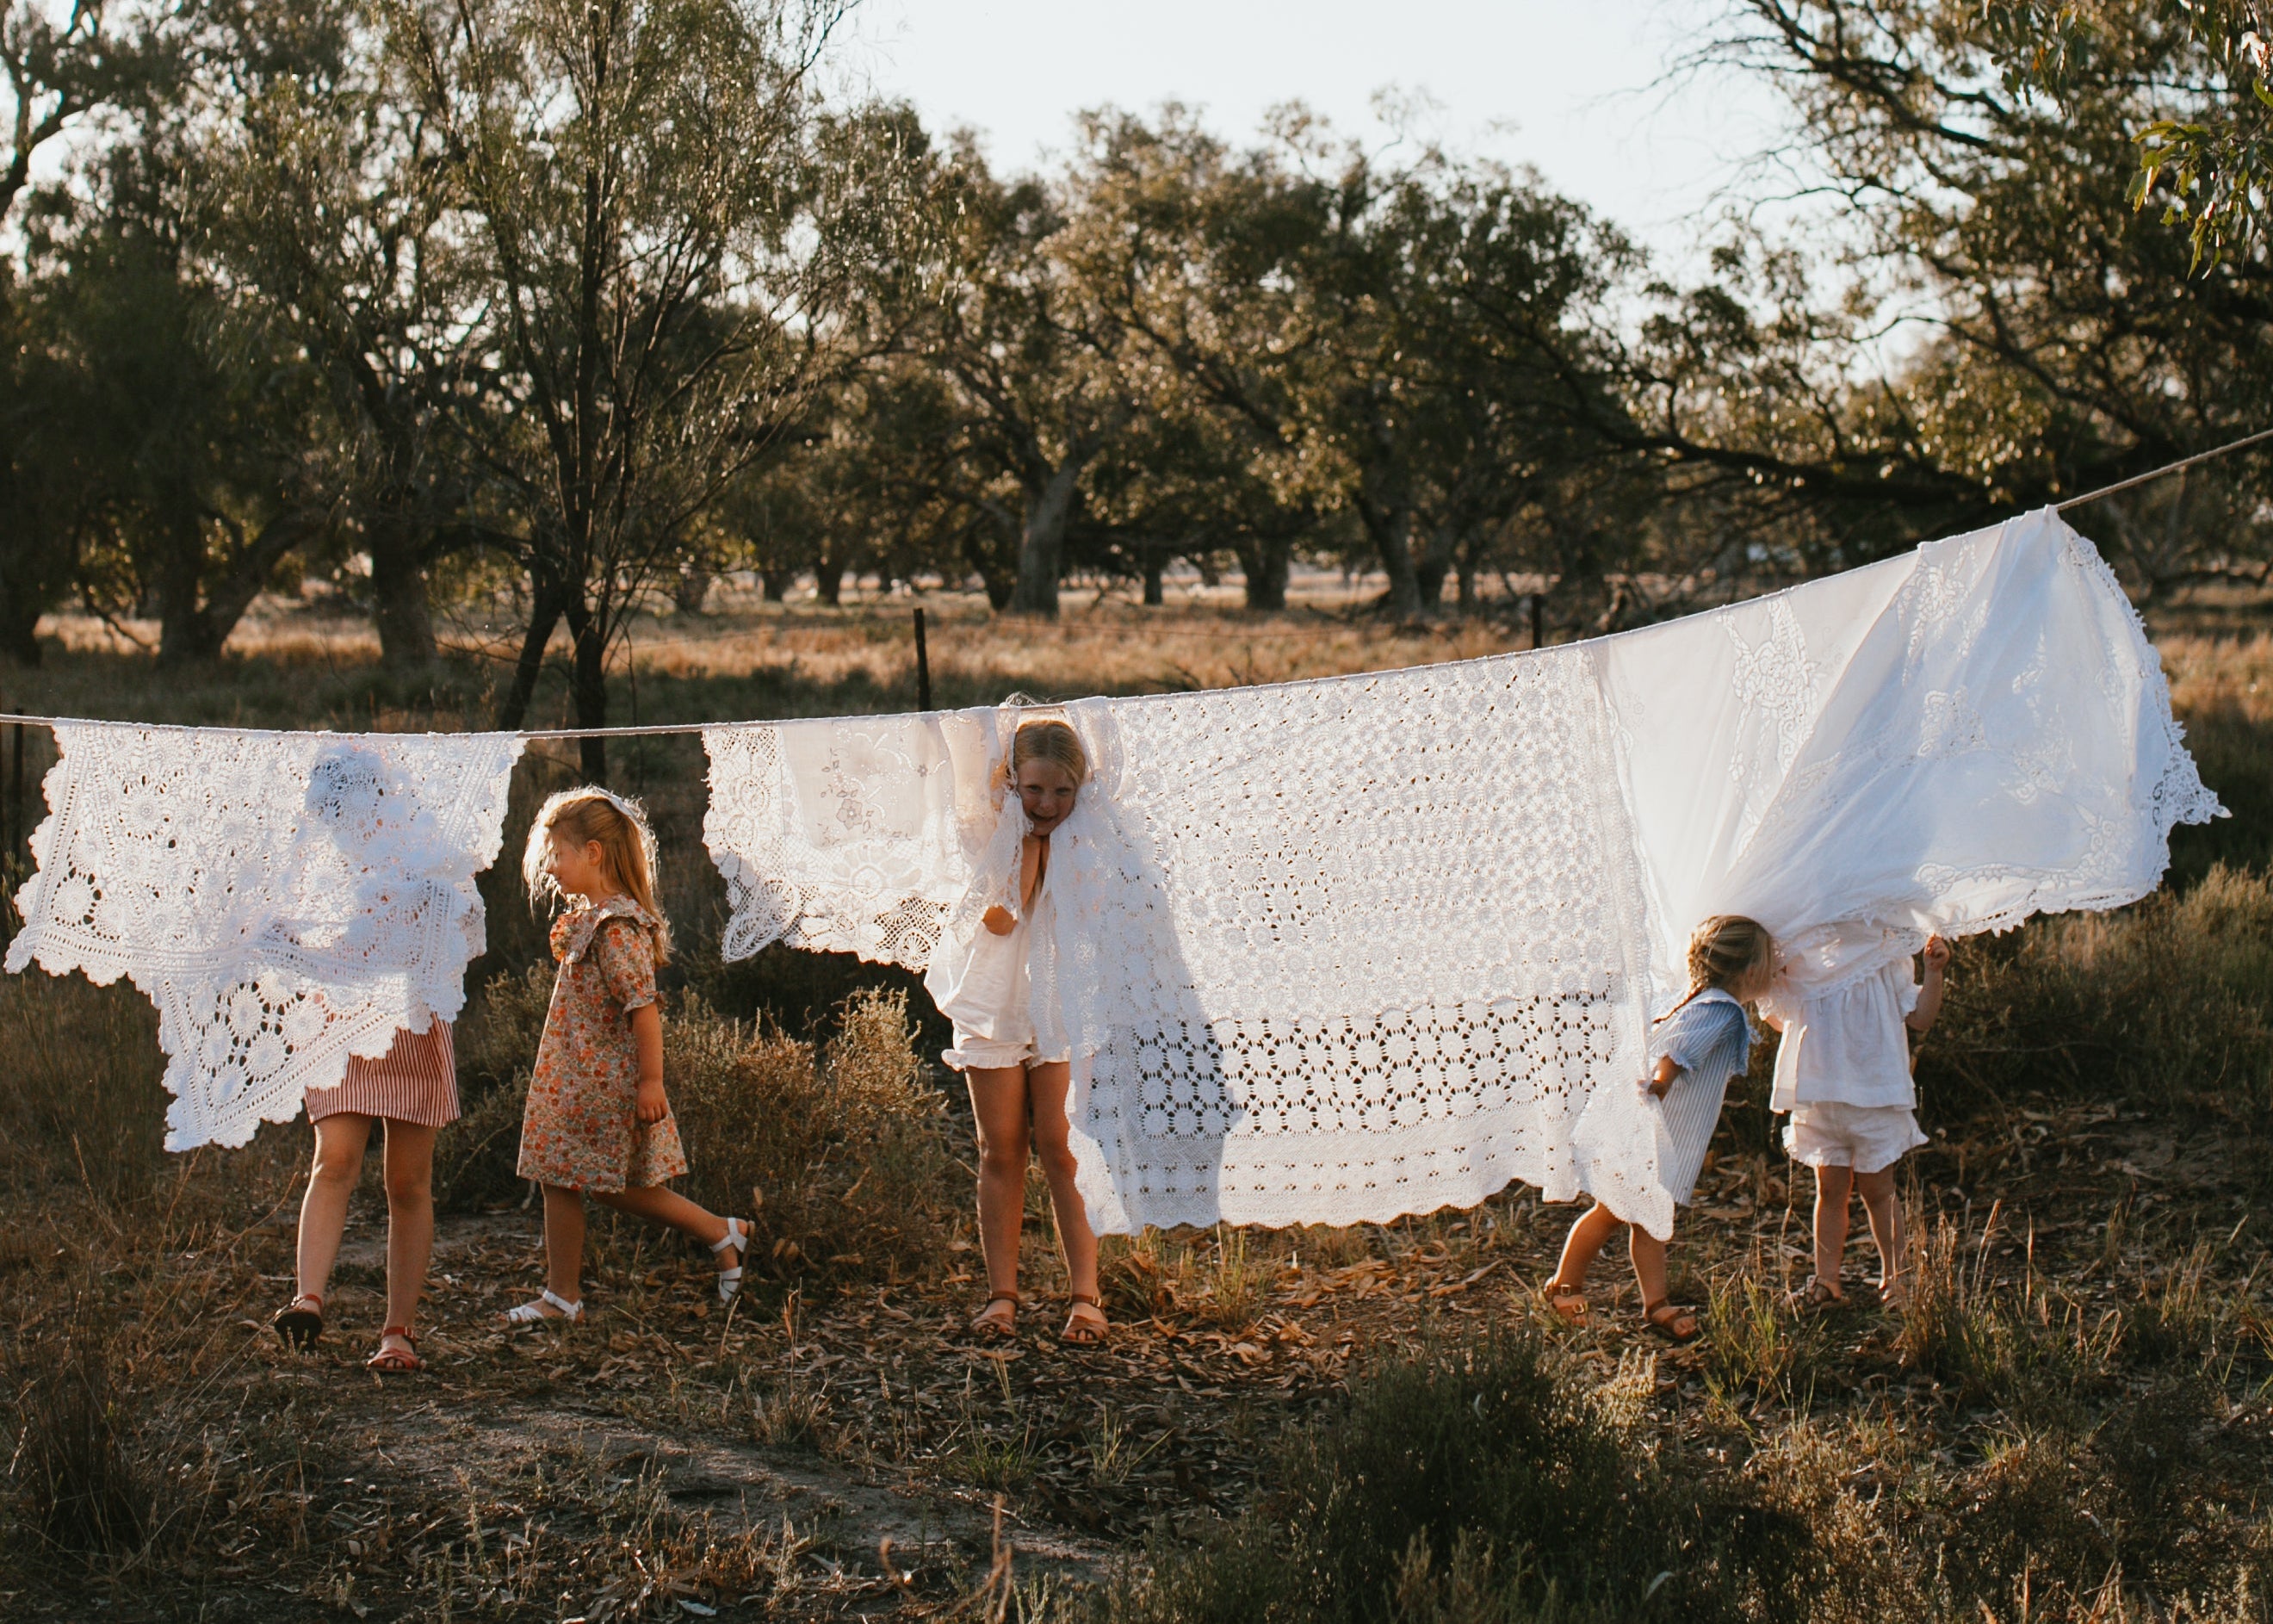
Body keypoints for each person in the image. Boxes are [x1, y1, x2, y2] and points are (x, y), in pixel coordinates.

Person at [503, 787, 748, 1325]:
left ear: (594, 853)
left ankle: (715, 1231)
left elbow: (643, 1010)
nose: (551, 868)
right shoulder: (594, 919)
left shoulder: (616, 928)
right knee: (564, 1176)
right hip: (575, 1079)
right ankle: (563, 1296)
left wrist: (651, 1082)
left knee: (612, 1184)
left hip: (603, 1083)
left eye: (558, 855)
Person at [924, 711, 1107, 1345]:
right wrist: (1026, 849)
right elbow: (1001, 922)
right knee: (1000, 1149)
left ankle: (1086, 1296)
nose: (1048, 803)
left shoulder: (1093, 843)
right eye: (1034, 790)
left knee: (1062, 1147)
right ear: (1012, 784)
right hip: (996, 1003)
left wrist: (1059, 848)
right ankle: (1002, 1295)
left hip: (1058, 1008)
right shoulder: (992, 836)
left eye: (1061, 791)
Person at [1543, 914, 1774, 1343]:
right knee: (1612, 1213)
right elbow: (1678, 1047)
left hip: (1654, 1131)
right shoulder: (1720, 1009)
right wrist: (1661, 1085)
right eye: (1770, 957)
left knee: (1646, 1220)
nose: (1777, 963)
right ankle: (1565, 1286)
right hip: (1652, 1134)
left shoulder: (1700, 999)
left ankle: (1654, 1302)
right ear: (1750, 970)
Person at [1762, 934, 1951, 1307]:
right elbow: (1779, 1019)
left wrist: (1934, 972)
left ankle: (1895, 1280)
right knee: (1830, 1190)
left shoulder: (1885, 952)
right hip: (1822, 1097)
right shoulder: (1806, 954)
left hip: (1874, 1097)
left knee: (1879, 1192)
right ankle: (1826, 1280)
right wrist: (1773, 975)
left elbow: (1922, 1018)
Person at [271, 1021, 459, 1373]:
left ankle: (398, 1332)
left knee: (408, 1183)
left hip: (413, 1015)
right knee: (335, 1160)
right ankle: (307, 1302)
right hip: (341, 1011)